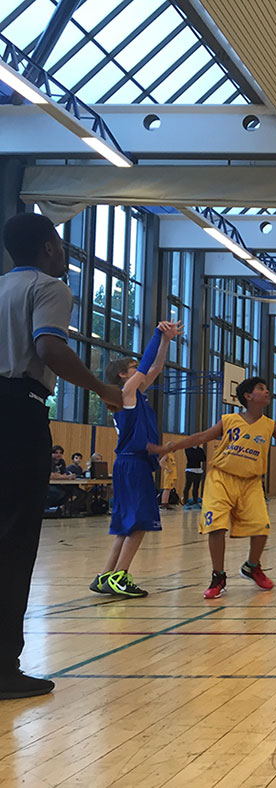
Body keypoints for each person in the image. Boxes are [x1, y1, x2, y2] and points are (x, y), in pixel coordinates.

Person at [1, 212, 122, 699]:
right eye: (61, 243)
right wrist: (102, 390)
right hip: (17, 412)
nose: (65, 253)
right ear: (49, 247)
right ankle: (3, 667)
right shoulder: (49, 287)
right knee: (14, 540)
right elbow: (49, 348)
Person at [149, 377, 276, 598]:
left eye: (266, 388)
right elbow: (202, 436)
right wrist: (174, 446)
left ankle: (252, 566)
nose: (267, 391)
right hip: (221, 478)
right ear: (248, 396)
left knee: (261, 527)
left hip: (251, 482)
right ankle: (218, 576)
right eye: (261, 388)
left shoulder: (271, 425)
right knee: (216, 526)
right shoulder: (229, 420)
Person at [90, 322, 181, 599]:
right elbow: (145, 366)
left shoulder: (135, 395)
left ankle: (106, 575)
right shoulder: (127, 394)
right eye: (132, 367)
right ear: (123, 375)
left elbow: (155, 368)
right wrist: (157, 334)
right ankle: (120, 576)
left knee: (125, 526)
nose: (138, 369)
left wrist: (166, 341)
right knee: (139, 523)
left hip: (128, 464)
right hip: (133, 464)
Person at [183, 444, 206, 510]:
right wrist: (198, 456)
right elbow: (191, 457)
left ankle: (195, 501)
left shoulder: (200, 450)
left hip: (198, 471)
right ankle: (185, 502)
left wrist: (197, 456)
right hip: (190, 470)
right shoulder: (188, 448)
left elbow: (204, 458)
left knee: (196, 487)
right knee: (187, 486)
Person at [159, 442, 177, 509]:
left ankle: (166, 502)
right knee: (166, 488)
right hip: (168, 474)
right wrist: (167, 469)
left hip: (172, 474)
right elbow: (160, 462)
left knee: (169, 489)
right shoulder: (166, 454)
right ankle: (163, 502)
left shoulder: (171, 454)